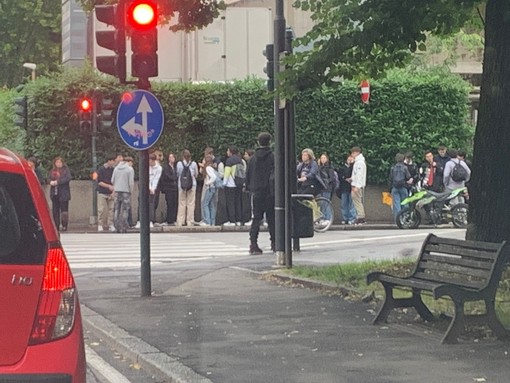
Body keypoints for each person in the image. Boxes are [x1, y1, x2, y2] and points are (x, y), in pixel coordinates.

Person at [246, 132, 275, 255]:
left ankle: (253, 244)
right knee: (272, 218)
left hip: (256, 192)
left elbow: (248, 175)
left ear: (258, 142)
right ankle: (275, 242)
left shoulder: (253, 159)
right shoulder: (273, 157)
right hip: (269, 192)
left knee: (256, 219)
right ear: (270, 142)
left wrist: (249, 188)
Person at [48, 156, 72, 232]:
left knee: (64, 211)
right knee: (55, 211)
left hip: (63, 193)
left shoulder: (66, 170)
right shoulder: (52, 171)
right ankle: (56, 225)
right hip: (55, 193)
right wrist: (50, 182)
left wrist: (57, 182)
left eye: (60, 162)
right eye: (57, 162)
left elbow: (68, 178)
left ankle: (64, 225)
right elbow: (48, 178)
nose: (58, 164)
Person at [112, 156, 135, 233]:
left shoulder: (116, 168)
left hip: (117, 191)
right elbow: (131, 182)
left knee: (116, 209)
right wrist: (131, 191)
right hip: (126, 191)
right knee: (125, 209)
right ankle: (124, 226)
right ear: (129, 162)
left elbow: (112, 180)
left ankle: (116, 226)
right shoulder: (130, 169)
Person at [222, 146, 245, 226]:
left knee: (230, 203)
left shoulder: (229, 160)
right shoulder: (240, 160)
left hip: (230, 184)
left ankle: (232, 220)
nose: (227, 152)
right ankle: (239, 220)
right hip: (239, 183)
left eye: (228, 151)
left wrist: (224, 183)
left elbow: (227, 172)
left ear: (231, 152)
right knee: (238, 202)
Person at [176, 149, 199, 226]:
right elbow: (196, 174)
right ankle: (190, 221)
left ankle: (180, 221)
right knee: (191, 203)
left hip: (181, 185)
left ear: (183, 156)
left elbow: (178, 173)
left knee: (182, 202)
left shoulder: (179, 164)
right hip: (192, 185)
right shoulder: (194, 164)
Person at [96, 153, 117, 232]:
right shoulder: (101, 169)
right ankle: (100, 224)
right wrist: (108, 186)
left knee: (111, 209)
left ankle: (110, 224)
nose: (114, 163)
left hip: (112, 192)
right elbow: (99, 181)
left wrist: (114, 191)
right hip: (102, 192)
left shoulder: (115, 169)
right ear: (109, 161)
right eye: (113, 161)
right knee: (101, 209)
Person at [389, 153, 412, 222]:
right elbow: (408, 177)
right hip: (403, 187)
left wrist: (390, 188)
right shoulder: (405, 167)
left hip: (395, 187)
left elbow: (390, 178)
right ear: (403, 159)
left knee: (396, 204)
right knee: (405, 203)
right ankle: (405, 219)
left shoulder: (393, 168)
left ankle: (398, 220)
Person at [336, 154, 357, 224]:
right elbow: (340, 176)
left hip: (351, 187)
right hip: (344, 188)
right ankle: (345, 218)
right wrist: (345, 179)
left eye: (351, 159)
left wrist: (351, 165)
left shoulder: (354, 167)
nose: (349, 161)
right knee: (344, 204)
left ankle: (352, 218)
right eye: (349, 159)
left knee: (352, 203)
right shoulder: (342, 168)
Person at [158, 152, 178, 225]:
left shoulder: (175, 167)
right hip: (168, 188)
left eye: (173, 157)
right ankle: (169, 219)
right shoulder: (166, 167)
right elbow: (166, 176)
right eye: (170, 157)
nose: (171, 159)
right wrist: (174, 178)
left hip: (175, 188)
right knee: (169, 203)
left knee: (174, 203)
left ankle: (173, 219)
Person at [317, 153, 336, 224]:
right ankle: (323, 217)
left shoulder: (329, 168)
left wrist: (326, 182)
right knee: (322, 203)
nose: (323, 159)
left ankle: (328, 218)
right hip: (321, 187)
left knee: (326, 203)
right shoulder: (320, 167)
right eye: (321, 158)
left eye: (324, 158)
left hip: (327, 187)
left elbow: (332, 178)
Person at [350, 146, 367, 225]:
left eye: (353, 153)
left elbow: (359, 175)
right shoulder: (358, 162)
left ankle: (361, 216)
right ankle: (360, 216)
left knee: (357, 201)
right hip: (355, 184)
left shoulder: (359, 163)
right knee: (357, 201)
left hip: (357, 186)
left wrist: (357, 186)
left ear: (357, 153)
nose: (352, 155)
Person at [201, 154, 219, 226]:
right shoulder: (212, 167)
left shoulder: (208, 168)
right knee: (211, 205)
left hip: (209, 188)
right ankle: (212, 222)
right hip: (213, 188)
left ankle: (207, 221)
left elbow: (213, 177)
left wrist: (207, 183)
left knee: (205, 204)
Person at [148, 153, 162, 226]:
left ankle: (151, 220)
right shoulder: (147, 166)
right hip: (146, 185)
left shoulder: (159, 168)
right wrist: (149, 188)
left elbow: (156, 179)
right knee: (142, 203)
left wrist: (153, 189)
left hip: (153, 187)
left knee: (152, 204)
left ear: (153, 161)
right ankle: (140, 220)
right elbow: (147, 178)